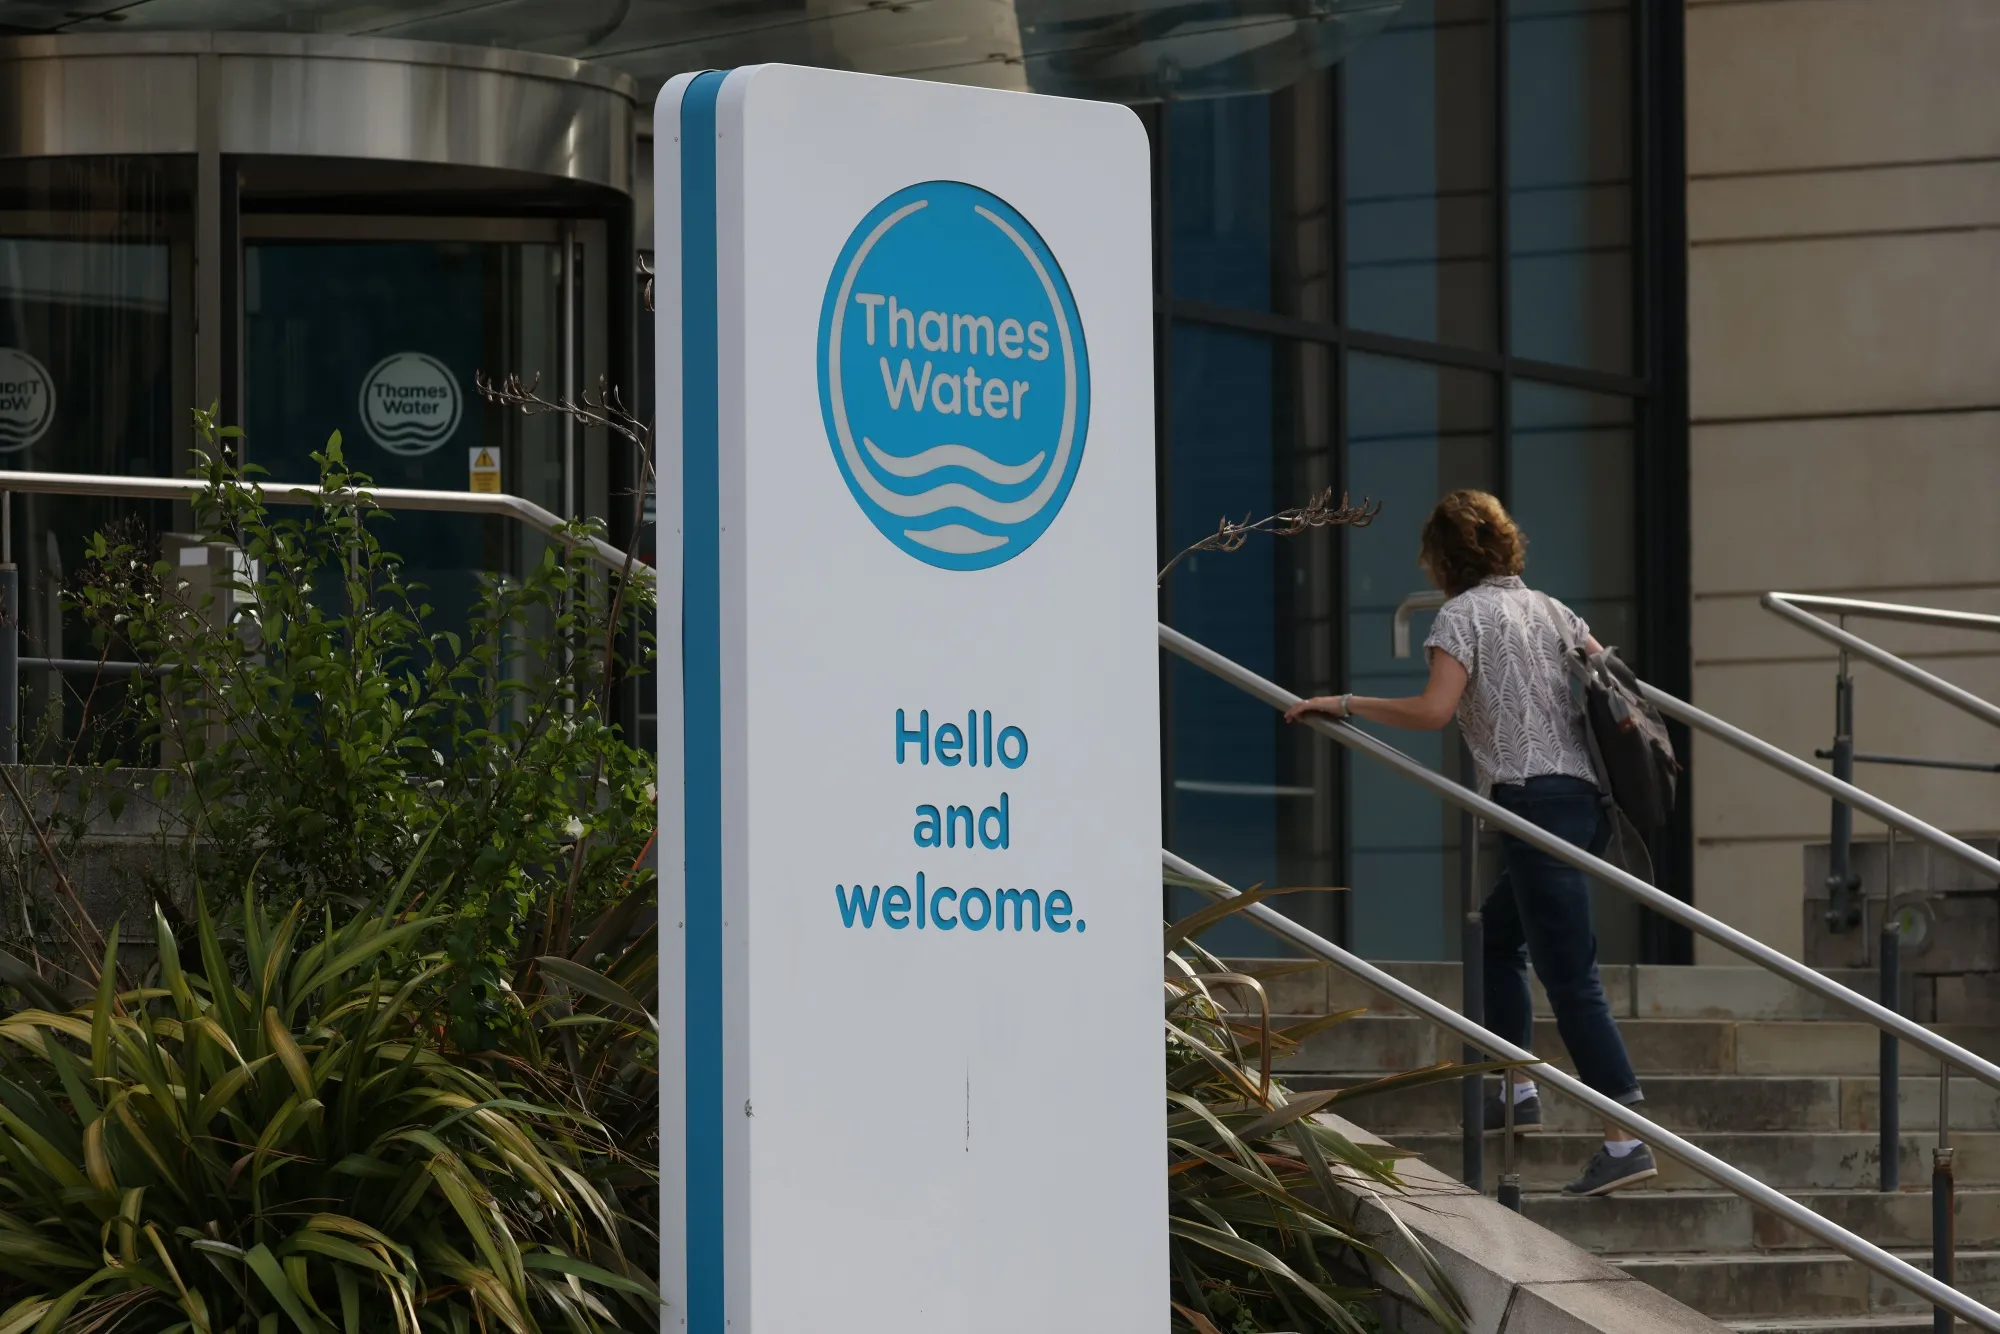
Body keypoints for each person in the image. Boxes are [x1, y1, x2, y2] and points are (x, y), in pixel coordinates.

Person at [1284, 489, 1655, 1196]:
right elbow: (1619, 692)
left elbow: (1434, 710)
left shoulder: (1461, 616)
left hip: (1532, 805)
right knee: (1497, 940)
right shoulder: (1554, 609)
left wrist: (1346, 703)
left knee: (1571, 976)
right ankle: (1513, 1087)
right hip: (1582, 804)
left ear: (1444, 558)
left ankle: (1625, 1138)